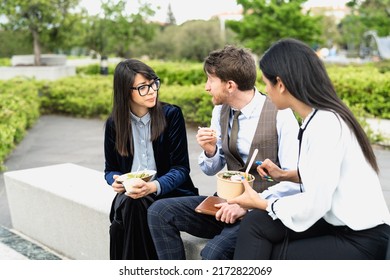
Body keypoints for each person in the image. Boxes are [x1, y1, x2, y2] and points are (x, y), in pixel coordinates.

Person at [229, 38, 390, 260]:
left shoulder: (326, 124)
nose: (265, 91)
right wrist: (285, 175)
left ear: (281, 84)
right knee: (257, 222)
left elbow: (316, 203)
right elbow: (328, 176)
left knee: (275, 253)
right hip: (335, 223)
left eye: (266, 83)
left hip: (361, 238)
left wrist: (263, 203)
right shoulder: (318, 118)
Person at [147, 45, 301, 260]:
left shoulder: (281, 115)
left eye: (210, 80)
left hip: (262, 210)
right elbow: (211, 169)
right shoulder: (220, 110)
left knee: (213, 253)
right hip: (226, 204)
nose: (206, 87)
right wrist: (210, 151)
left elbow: (295, 181)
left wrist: (248, 206)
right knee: (159, 212)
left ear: (230, 85)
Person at [104, 59, 199, 260]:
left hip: (168, 192)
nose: (152, 91)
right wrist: (119, 180)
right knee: (134, 202)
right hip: (132, 193)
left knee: (135, 205)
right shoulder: (114, 124)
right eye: (142, 87)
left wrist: (152, 186)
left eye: (154, 83)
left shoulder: (171, 115)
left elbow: (181, 169)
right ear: (125, 91)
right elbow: (110, 170)